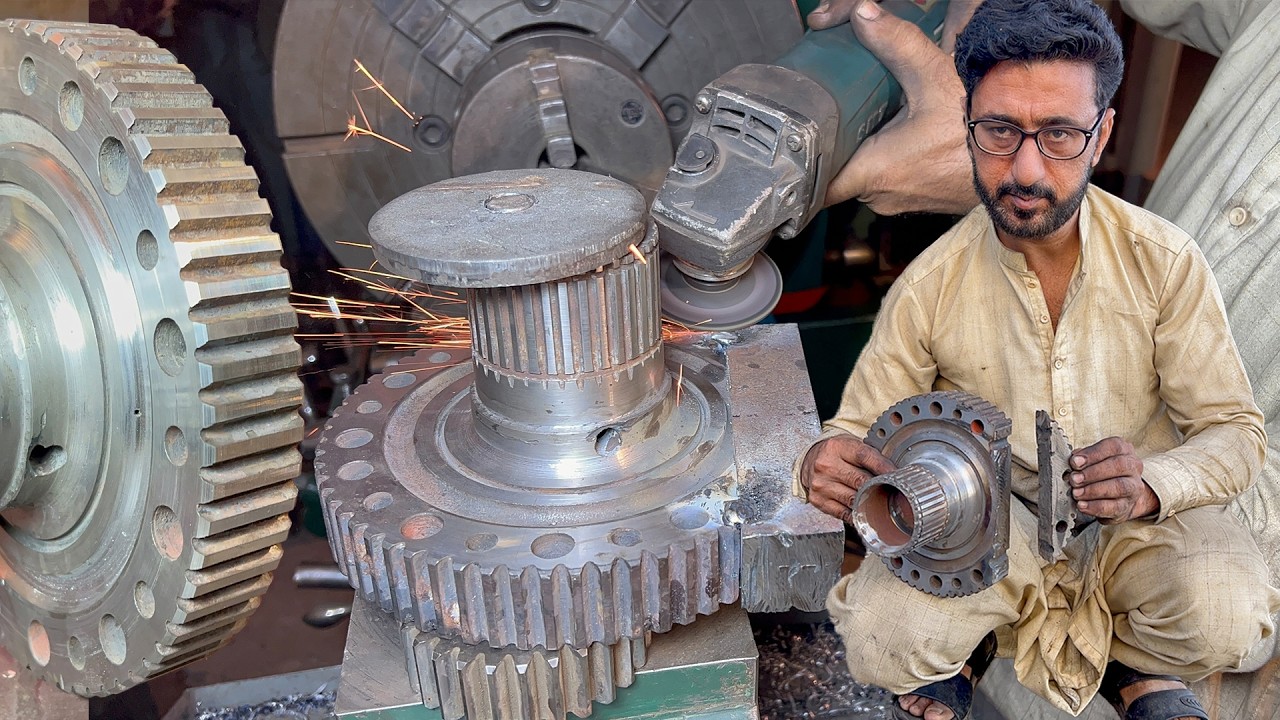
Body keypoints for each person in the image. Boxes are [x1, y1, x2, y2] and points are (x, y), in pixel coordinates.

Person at [793, 1, 1280, 719]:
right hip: (995, 530)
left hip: (1140, 531)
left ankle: (1134, 666)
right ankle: (983, 643)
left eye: (1058, 134)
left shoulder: (1167, 262)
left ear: (1102, 132)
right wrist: (825, 461)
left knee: (1229, 612)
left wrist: (1152, 482)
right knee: (878, 636)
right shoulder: (930, 284)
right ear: (965, 130)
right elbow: (856, 426)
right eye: (998, 131)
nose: (1025, 169)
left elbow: (1236, 433)